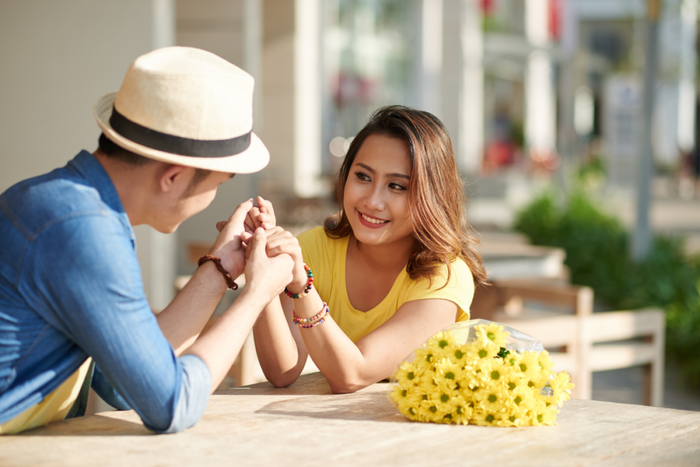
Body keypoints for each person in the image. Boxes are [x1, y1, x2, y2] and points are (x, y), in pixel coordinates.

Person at [0, 46, 294, 434]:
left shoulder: (71, 206)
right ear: (172, 177)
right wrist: (256, 294)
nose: (210, 202)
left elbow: (126, 384)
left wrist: (222, 267)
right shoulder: (82, 233)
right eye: (216, 186)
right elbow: (172, 403)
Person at [251, 105, 488, 393]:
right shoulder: (315, 248)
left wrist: (303, 289)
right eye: (363, 177)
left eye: (397, 186)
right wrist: (262, 269)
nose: (373, 201)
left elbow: (353, 374)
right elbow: (282, 371)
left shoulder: (445, 275)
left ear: (432, 196)